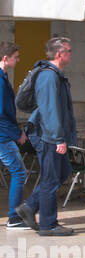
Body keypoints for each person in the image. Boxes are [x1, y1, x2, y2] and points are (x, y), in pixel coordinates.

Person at [26, 36, 76, 236]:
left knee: (62, 173)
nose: (71, 54)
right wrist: (57, 138)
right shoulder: (48, 77)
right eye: (69, 51)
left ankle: (30, 206)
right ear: (59, 54)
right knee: (50, 179)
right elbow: (50, 110)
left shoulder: (56, 75)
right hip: (49, 136)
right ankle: (48, 224)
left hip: (54, 135)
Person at [0, 41, 34, 229]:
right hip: (3, 136)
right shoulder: (0, 80)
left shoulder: (3, 78)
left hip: (4, 134)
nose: (18, 60)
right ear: (5, 58)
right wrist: (17, 134)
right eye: (16, 57)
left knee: (18, 172)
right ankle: (14, 217)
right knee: (19, 172)